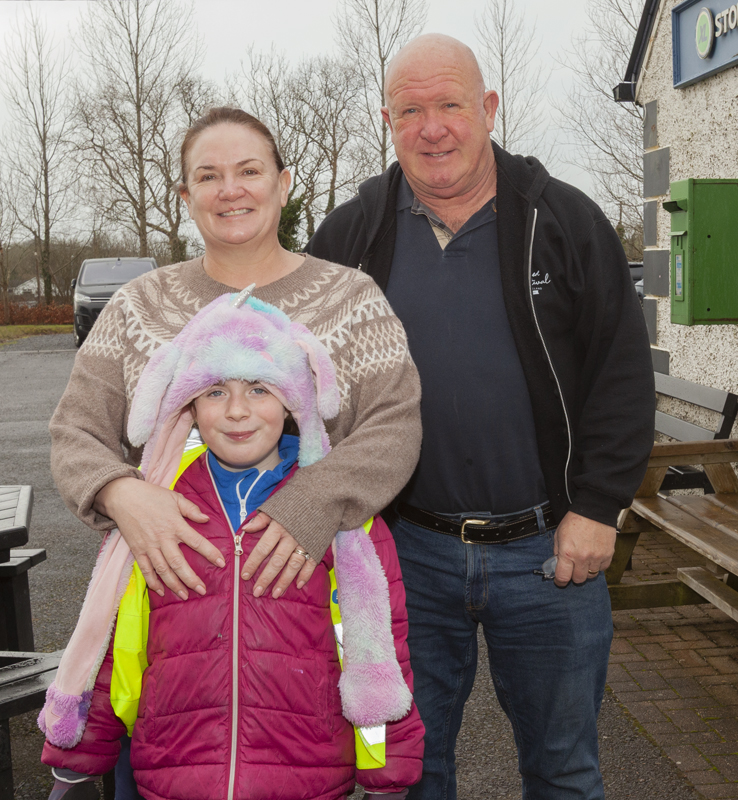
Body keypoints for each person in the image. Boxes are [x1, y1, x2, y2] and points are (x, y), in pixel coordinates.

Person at [306, 33, 655, 800]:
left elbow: (623, 376)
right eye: (410, 111)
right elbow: (288, 367)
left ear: (489, 108)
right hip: (405, 553)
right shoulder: (353, 235)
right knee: (410, 773)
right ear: (388, 122)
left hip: (550, 554)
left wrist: (598, 506)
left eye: (450, 105)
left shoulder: (562, 221)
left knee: (564, 771)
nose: (432, 128)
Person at [49, 106, 421, 799]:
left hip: (302, 673)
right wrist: (122, 495)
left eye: (249, 171)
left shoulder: (351, 299)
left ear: (283, 182)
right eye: (208, 176)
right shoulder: (139, 305)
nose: (231, 190)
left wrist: (311, 504)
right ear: (185, 195)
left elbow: (394, 427)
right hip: (169, 669)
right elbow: (75, 431)